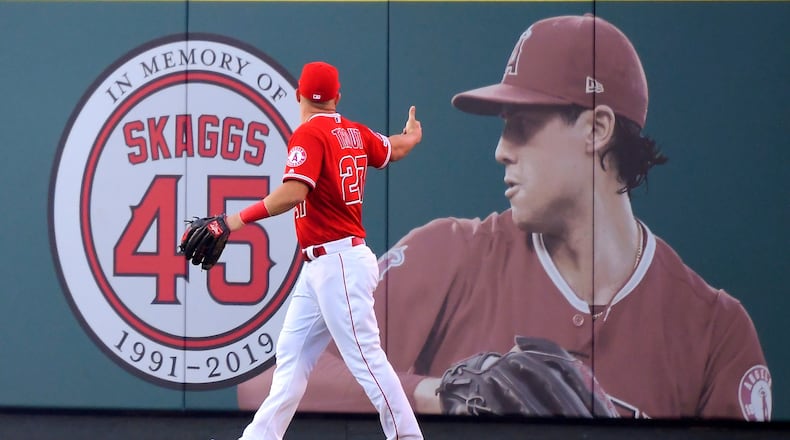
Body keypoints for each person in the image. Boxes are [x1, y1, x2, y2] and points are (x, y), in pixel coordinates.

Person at [237, 15, 772, 421]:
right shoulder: (449, 254)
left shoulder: (715, 333)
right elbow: (264, 387)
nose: (500, 150)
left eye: (521, 124)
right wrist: (442, 393)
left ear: (595, 128)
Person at [227, 61, 424, 439]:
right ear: (337, 97)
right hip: (324, 265)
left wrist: (234, 221)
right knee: (292, 359)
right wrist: (412, 135)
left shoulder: (308, 134)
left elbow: (293, 193)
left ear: (299, 94)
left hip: (338, 264)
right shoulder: (353, 131)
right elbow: (392, 149)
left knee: (367, 360)